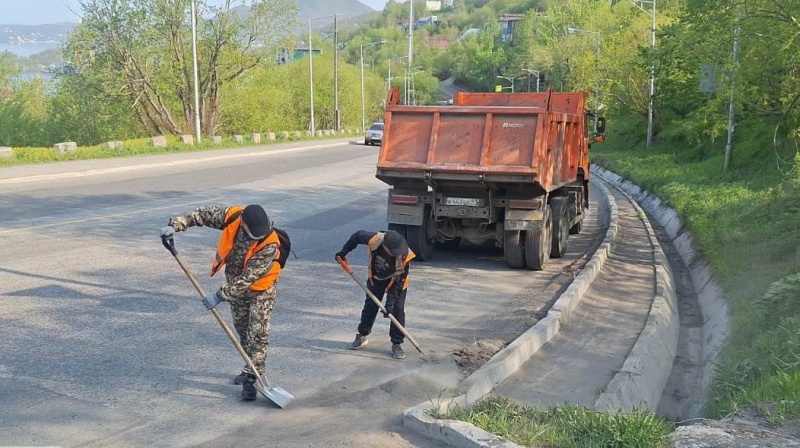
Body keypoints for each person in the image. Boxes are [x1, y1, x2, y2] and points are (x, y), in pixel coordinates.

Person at [161, 204, 282, 401]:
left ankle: (252, 378)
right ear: (244, 224)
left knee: (258, 333)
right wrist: (176, 225)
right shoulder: (233, 216)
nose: (259, 238)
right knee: (243, 331)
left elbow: (248, 278)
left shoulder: (270, 243)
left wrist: (219, 296)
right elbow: (202, 215)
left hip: (262, 289)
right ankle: (249, 366)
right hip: (235, 287)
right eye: (255, 235)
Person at [335, 230, 415, 360]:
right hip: (377, 277)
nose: (396, 254)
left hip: (397, 283)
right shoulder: (375, 240)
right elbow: (356, 236)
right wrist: (344, 252)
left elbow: (397, 284)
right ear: (385, 246)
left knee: (397, 310)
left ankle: (397, 343)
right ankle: (362, 335)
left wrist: (389, 303)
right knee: (370, 305)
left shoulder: (405, 255)